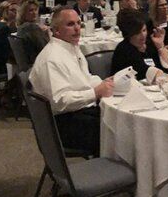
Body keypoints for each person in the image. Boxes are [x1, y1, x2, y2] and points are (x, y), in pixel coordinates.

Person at [29, 9, 115, 153]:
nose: (77, 28)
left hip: (79, 113)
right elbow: (60, 101)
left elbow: (85, 79)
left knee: (119, 119)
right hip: (62, 125)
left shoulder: (71, 48)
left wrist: (103, 83)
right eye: (70, 24)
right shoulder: (51, 58)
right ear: (56, 30)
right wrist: (95, 93)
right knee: (120, 130)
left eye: (78, 23)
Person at [111, 8, 168, 81]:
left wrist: (161, 47)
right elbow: (144, 71)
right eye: (137, 33)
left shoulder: (150, 45)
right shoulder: (124, 50)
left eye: (144, 30)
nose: (143, 35)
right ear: (128, 34)